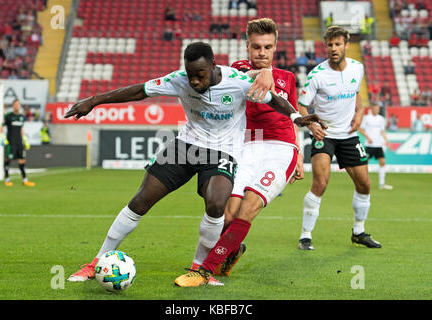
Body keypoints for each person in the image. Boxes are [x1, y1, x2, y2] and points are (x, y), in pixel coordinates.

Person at [66, 42, 324, 283]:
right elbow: (139, 91)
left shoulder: (237, 82)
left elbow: (274, 99)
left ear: (213, 65)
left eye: (199, 74)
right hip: (186, 146)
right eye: (190, 74)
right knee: (141, 200)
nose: (194, 80)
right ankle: (96, 262)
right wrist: (93, 101)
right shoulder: (179, 79)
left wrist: (295, 117)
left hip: (223, 151)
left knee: (216, 204)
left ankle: (200, 269)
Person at [174, 18, 325, 287]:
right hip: (246, 146)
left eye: (267, 47)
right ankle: (233, 250)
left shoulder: (288, 78)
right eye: (256, 47)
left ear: (275, 47)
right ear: (247, 47)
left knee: (248, 208)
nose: (262, 53)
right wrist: (262, 73)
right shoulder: (236, 70)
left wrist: (299, 155)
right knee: (227, 214)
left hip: (280, 149)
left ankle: (203, 271)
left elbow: (291, 115)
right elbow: (239, 79)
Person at [296, 26, 381, 251]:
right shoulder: (317, 74)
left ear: (346, 45)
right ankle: (305, 235)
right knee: (320, 183)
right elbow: (302, 106)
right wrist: (312, 125)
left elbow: (356, 95)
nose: (333, 48)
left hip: (349, 135)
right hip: (325, 134)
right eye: (330, 44)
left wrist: (359, 113)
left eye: (337, 44)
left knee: (365, 184)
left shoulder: (357, 68)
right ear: (326, 46)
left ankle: (359, 232)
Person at [0, 99, 35, 187]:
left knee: (22, 159)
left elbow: (21, 129)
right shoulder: (8, 116)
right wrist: (3, 138)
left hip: (19, 142)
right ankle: (7, 179)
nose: (17, 106)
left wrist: (25, 140)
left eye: (18, 104)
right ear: (13, 106)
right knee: (8, 159)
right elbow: (1, 128)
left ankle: (25, 180)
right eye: (15, 104)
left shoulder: (21, 117)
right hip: (11, 142)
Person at [359, 104, 393, 190]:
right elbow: (360, 129)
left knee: (382, 162)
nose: (377, 110)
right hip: (369, 145)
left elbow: (382, 131)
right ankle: (362, 182)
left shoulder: (381, 119)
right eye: (375, 108)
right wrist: (368, 137)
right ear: (372, 109)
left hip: (378, 144)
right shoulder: (367, 118)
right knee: (365, 164)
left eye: (378, 109)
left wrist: (387, 140)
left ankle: (382, 184)